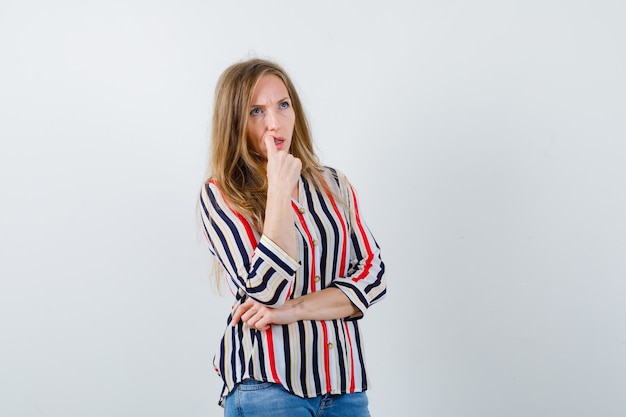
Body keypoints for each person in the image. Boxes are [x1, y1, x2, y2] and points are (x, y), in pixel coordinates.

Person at [199, 58, 386, 417]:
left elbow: (373, 276)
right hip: (269, 386)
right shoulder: (222, 195)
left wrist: (291, 311)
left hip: (344, 387)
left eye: (283, 105)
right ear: (234, 122)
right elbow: (265, 290)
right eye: (256, 111)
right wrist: (280, 189)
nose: (275, 122)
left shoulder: (334, 184)